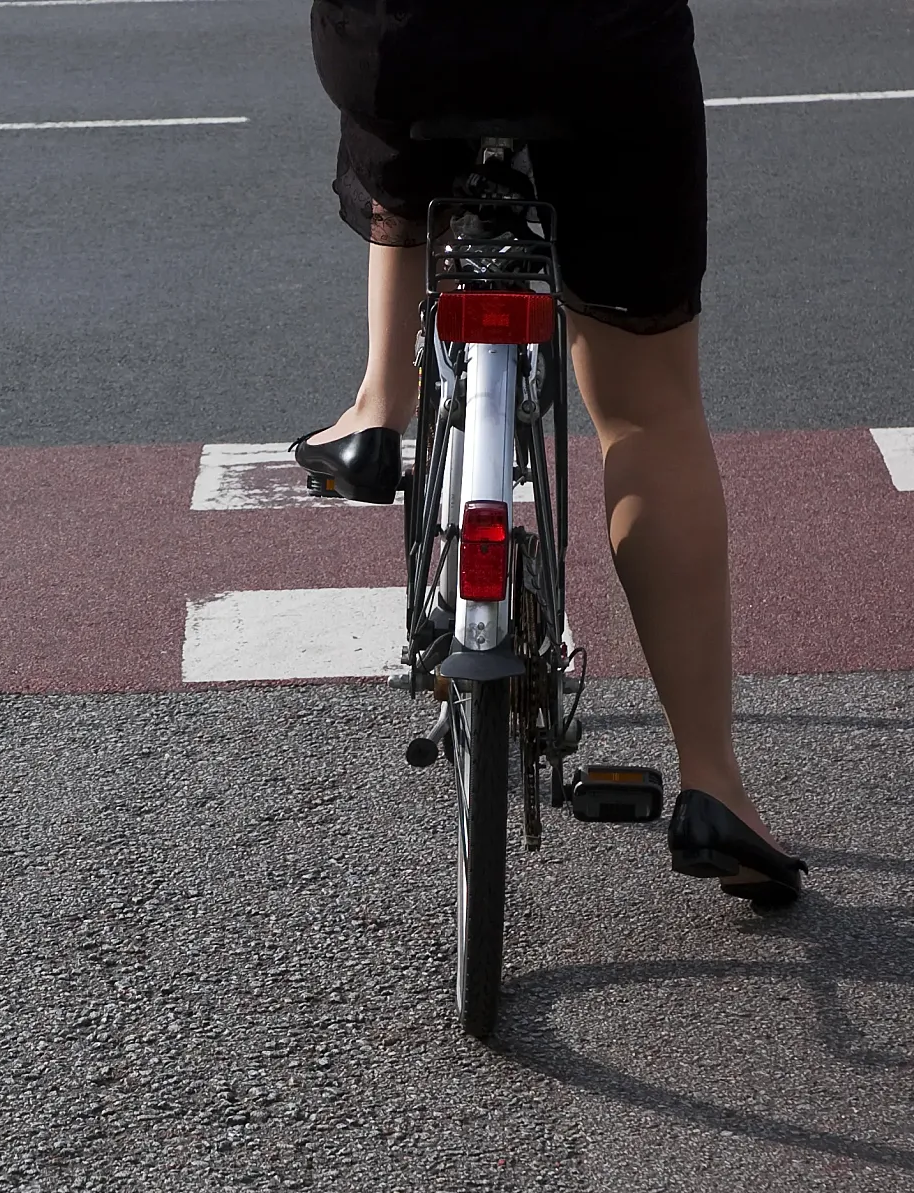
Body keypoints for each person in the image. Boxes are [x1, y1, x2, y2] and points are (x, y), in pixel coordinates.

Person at [297, 0, 807, 906]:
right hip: (600, 50)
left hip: (403, 42)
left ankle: (381, 402)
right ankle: (714, 787)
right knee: (647, 414)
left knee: (388, 73)